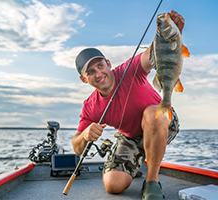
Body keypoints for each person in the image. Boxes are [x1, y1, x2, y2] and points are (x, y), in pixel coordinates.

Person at [72, 10, 185, 200]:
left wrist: (169, 33)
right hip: (130, 138)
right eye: (90, 72)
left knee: (152, 114)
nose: (98, 73)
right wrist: (84, 135)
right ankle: (136, 163)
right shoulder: (91, 106)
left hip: (162, 121)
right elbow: (77, 147)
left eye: (100, 66)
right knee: (113, 185)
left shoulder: (129, 70)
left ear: (108, 63)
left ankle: (152, 182)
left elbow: (152, 53)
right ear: (84, 80)